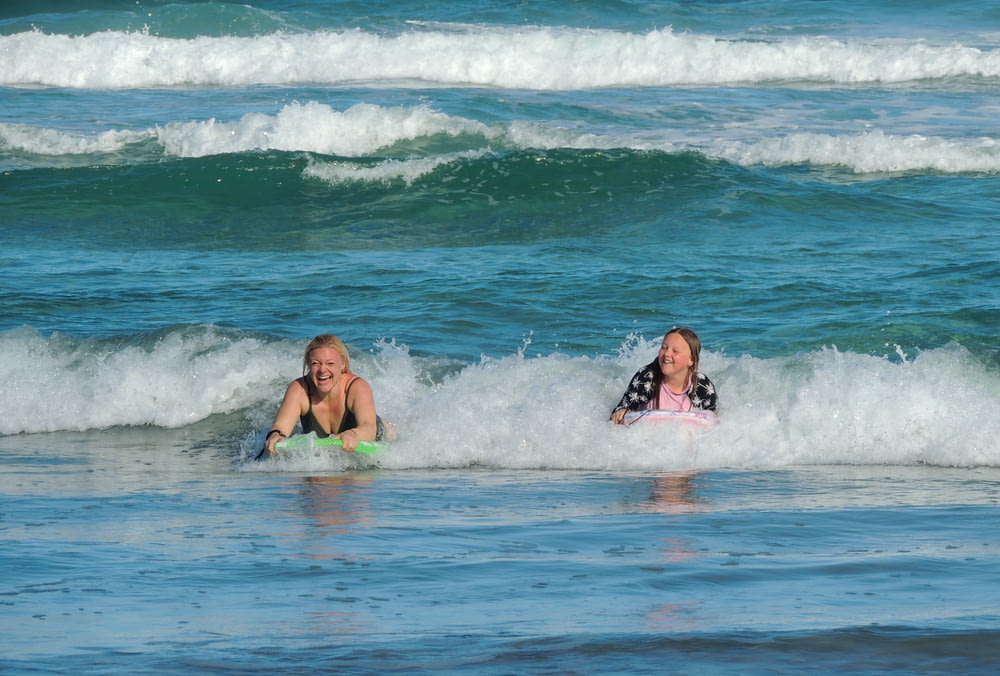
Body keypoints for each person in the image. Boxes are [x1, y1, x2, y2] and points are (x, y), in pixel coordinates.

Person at [257, 334, 388, 459]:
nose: (322, 370)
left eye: (330, 363)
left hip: (373, 430)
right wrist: (275, 435)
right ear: (308, 364)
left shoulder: (357, 387)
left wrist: (353, 433)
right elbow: (280, 427)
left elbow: (369, 429)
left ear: (342, 364)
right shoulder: (299, 389)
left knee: (389, 432)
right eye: (316, 363)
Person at [610, 327, 718, 424]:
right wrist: (621, 412)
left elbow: (713, 421)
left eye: (675, 351)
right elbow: (620, 411)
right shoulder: (647, 377)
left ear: (691, 360)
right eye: (664, 347)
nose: (666, 354)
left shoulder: (702, 386)